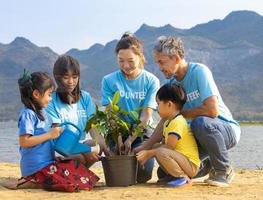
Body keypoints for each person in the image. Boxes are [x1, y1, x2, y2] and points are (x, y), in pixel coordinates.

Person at [134, 36, 241, 187]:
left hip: (223, 129)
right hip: (197, 136)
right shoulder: (171, 84)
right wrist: (146, 146)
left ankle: (223, 170)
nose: (159, 67)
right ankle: (207, 163)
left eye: (162, 62)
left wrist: (180, 114)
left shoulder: (199, 72)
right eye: (157, 62)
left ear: (176, 58)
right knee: (164, 174)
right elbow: (166, 120)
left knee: (200, 123)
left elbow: (212, 111)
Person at [7, 70, 99, 192]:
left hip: (47, 163)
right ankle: (32, 181)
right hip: (37, 168)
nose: (51, 99)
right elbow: (24, 141)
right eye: (49, 94)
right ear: (36, 94)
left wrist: (57, 135)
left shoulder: (39, 114)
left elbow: (44, 140)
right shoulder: (27, 114)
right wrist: (49, 135)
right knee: (72, 183)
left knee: (76, 166)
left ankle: (36, 180)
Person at [101, 32, 160, 183]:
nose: (126, 66)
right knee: (118, 171)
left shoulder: (151, 81)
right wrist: (119, 140)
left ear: (140, 57)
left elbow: (146, 116)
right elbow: (111, 115)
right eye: (121, 61)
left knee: (142, 174)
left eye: (131, 61)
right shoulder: (108, 81)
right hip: (117, 131)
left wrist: (130, 141)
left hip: (142, 131)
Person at [45, 55, 108, 167]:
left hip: (77, 145)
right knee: (79, 158)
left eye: (74, 77)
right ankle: (74, 173)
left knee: (97, 144)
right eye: (66, 77)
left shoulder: (85, 97)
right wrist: (86, 150)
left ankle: (78, 175)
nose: (71, 82)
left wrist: (104, 148)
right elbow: (58, 135)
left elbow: (93, 126)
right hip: (60, 147)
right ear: (57, 78)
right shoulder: (51, 100)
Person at [137, 83, 200, 187]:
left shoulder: (177, 122)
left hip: (190, 165)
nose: (157, 108)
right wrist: (150, 150)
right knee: (156, 147)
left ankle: (182, 177)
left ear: (169, 104)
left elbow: (169, 147)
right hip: (181, 160)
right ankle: (173, 176)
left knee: (160, 151)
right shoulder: (167, 122)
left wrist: (148, 154)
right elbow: (163, 145)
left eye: (158, 104)